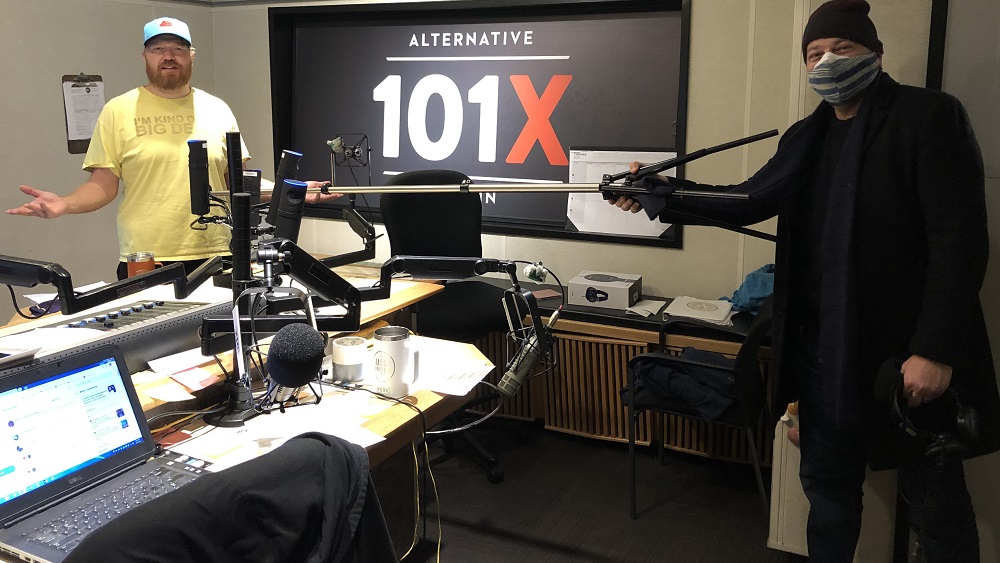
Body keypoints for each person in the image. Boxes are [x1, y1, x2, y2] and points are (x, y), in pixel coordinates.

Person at [611, 1, 998, 561]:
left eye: (842, 50)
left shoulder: (928, 116)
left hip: (902, 359)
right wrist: (657, 195)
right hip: (823, 362)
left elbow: (960, 244)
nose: (827, 62)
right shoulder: (806, 136)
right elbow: (749, 199)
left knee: (936, 508)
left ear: (876, 53)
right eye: (815, 53)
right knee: (829, 497)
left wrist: (935, 350)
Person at [6, 17, 337, 280]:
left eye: (178, 48)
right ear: (145, 56)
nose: (168, 56)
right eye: (158, 48)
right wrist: (64, 204)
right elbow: (103, 187)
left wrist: (297, 190)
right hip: (148, 257)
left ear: (191, 56)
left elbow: (236, 185)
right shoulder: (118, 110)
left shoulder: (217, 109)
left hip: (217, 251)